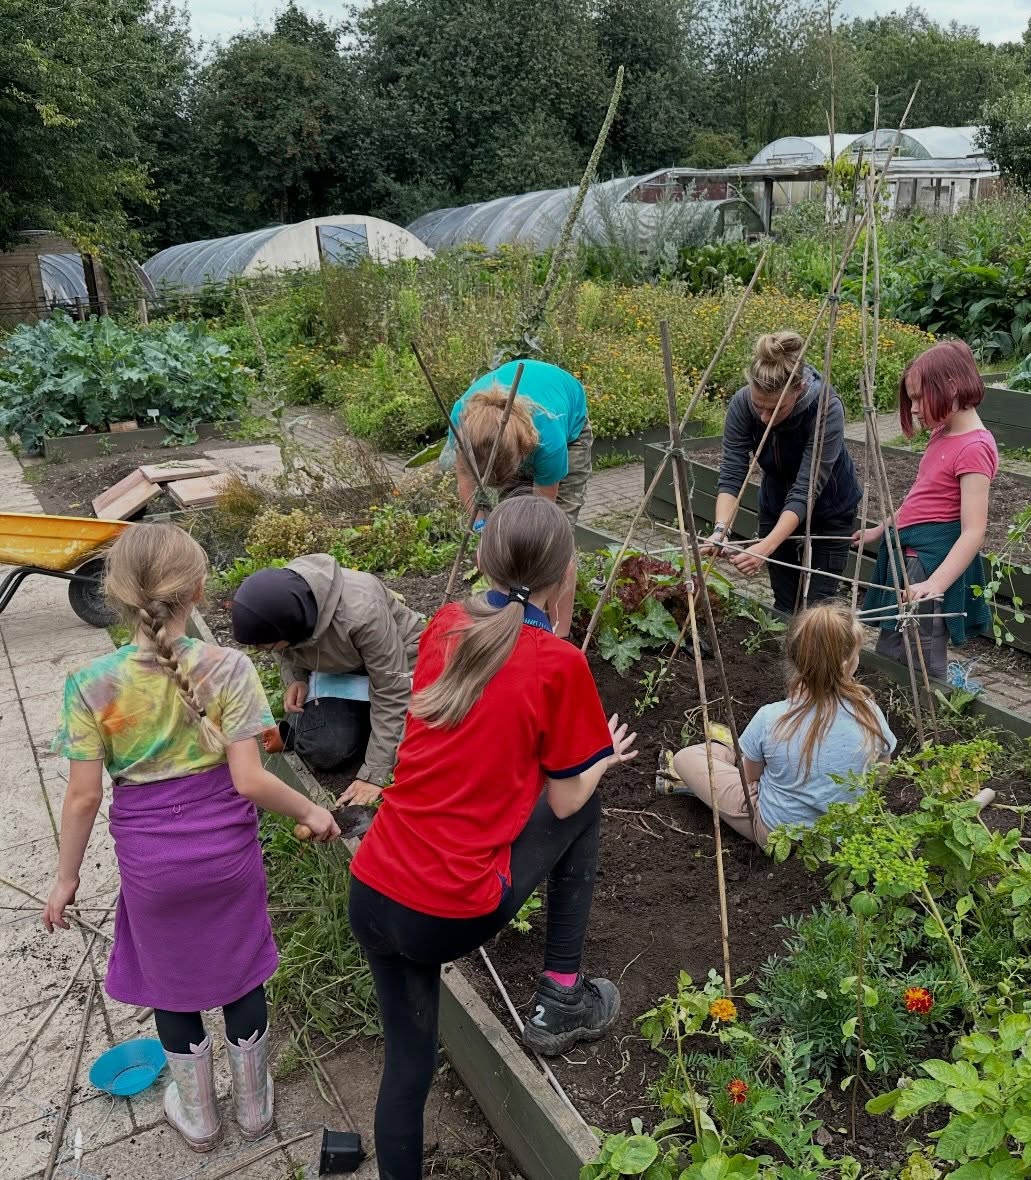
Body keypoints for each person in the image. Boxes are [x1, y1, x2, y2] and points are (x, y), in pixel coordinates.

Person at [346, 495, 637, 1179]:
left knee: (407, 1065)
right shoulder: (557, 662)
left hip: (374, 888)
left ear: (482, 559)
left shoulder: (447, 623)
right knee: (584, 806)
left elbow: (475, 735)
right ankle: (562, 996)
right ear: (567, 573)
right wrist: (599, 758)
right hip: (448, 910)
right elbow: (563, 796)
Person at [41, 524, 340, 1153]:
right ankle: (255, 1110)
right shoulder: (228, 667)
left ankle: (201, 1118)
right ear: (199, 590)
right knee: (240, 973)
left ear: (114, 595)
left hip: (153, 869)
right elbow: (251, 778)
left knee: (170, 983)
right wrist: (312, 813)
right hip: (228, 858)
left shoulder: (90, 685)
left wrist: (65, 879)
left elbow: (84, 797)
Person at [659, 603, 894, 844]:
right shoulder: (869, 712)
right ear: (847, 666)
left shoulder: (772, 718)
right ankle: (736, 748)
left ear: (794, 657)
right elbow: (881, 773)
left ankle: (729, 749)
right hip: (843, 838)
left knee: (686, 758)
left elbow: (751, 777)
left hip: (779, 835)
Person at [230, 555, 425, 806]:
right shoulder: (287, 606)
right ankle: (363, 723)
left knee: (419, 751)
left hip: (398, 665)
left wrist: (374, 775)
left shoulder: (362, 612)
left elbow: (390, 690)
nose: (268, 650)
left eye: (267, 646)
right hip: (341, 670)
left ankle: (372, 727)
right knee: (326, 749)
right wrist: (296, 678)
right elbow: (284, 649)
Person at [857, 340, 996, 689]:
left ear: (950, 387)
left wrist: (936, 584)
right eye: (912, 400)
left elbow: (973, 531)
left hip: (931, 564)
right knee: (892, 641)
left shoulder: (975, 448)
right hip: (909, 556)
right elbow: (921, 496)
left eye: (919, 398)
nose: (915, 409)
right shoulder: (942, 434)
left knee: (923, 648)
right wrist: (879, 530)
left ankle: (933, 713)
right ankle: (890, 701)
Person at [705, 331, 862, 614]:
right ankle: (788, 657)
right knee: (785, 603)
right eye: (759, 406)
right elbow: (732, 472)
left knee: (818, 610)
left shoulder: (826, 408)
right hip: (776, 505)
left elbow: (805, 489)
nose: (764, 418)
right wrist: (720, 530)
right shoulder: (741, 405)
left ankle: (820, 658)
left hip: (831, 510)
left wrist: (764, 548)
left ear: (799, 388)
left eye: (775, 409)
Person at [441, 358, 593, 527]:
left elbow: (544, 508)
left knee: (557, 524)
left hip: (569, 420)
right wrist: (480, 523)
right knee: (512, 516)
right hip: (536, 411)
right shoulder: (461, 421)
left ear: (520, 453)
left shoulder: (549, 439)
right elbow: (464, 477)